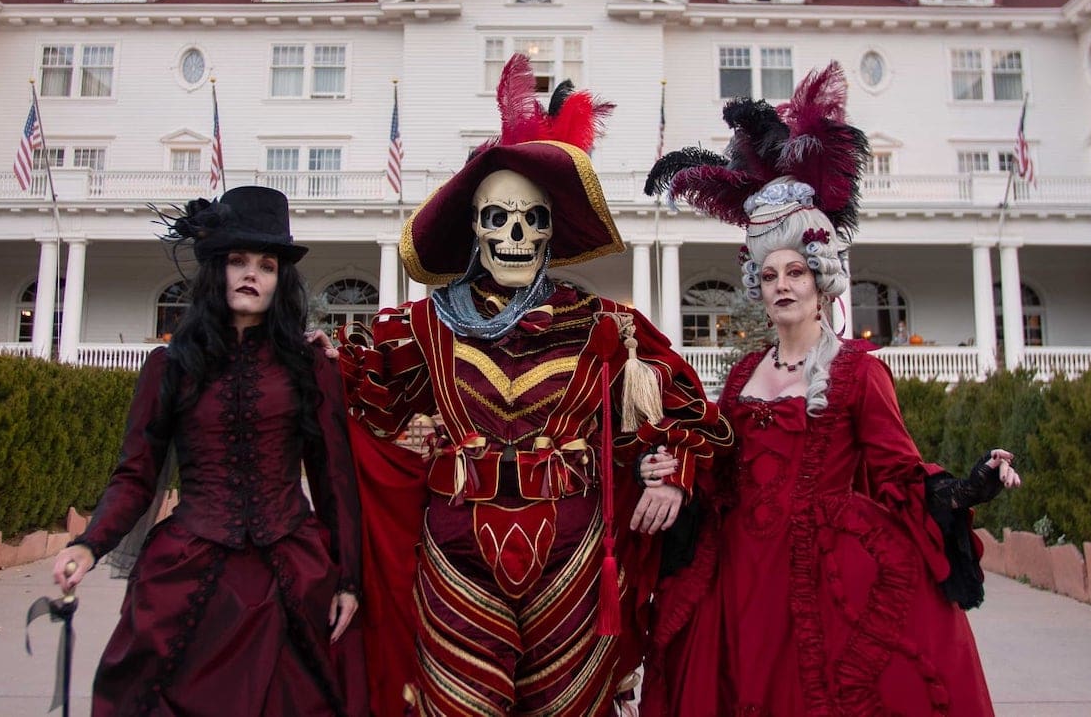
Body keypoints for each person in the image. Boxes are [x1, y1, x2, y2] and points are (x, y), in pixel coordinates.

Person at [338, 55, 732, 716]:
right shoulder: (420, 328)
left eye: (532, 219)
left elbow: (697, 417)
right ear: (472, 229)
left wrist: (669, 467)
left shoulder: (610, 327)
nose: (516, 235)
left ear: (551, 231)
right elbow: (346, 397)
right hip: (457, 553)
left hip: (574, 560)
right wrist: (398, 429)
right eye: (498, 218)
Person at [642, 63, 1020, 717]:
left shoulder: (857, 371)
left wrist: (969, 487)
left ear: (821, 280)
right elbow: (719, 468)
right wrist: (673, 466)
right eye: (769, 275)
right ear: (757, 285)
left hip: (821, 577)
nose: (783, 285)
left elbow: (897, 473)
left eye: (796, 271)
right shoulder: (740, 375)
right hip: (738, 577)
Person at [50, 185, 365, 716]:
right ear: (215, 269)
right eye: (238, 261)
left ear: (278, 281)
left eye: (266, 265)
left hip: (288, 569)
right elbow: (136, 475)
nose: (251, 274)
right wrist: (89, 545)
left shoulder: (310, 367)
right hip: (188, 568)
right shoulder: (169, 368)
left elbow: (335, 480)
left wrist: (350, 579)